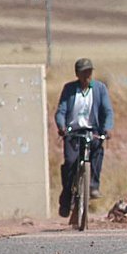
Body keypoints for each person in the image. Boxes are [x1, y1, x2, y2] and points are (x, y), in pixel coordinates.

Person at [54, 58, 114, 217]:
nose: (87, 75)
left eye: (89, 72)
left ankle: (93, 185)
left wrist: (106, 129)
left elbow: (107, 111)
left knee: (97, 152)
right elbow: (61, 111)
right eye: (83, 72)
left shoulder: (100, 89)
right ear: (77, 74)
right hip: (72, 132)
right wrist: (61, 127)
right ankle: (66, 196)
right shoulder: (69, 89)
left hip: (92, 131)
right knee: (70, 162)